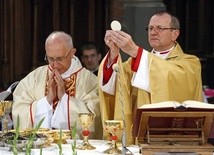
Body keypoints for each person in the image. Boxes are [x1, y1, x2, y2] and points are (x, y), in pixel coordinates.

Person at [98, 11, 204, 144]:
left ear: (175, 34)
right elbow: (113, 85)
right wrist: (114, 53)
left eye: (160, 28)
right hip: (140, 137)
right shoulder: (135, 62)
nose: (153, 32)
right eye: (150, 28)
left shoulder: (189, 62)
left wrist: (135, 51)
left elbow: (169, 75)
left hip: (175, 140)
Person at [12, 31, 102, 139]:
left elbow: (95, 117)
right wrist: (47, 100)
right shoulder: (35, 77)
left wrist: (64, 99)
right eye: (50, 58)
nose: (55, 65)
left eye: (60, 59)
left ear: (72, 53)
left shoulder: (89, 81)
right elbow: (19, 109)